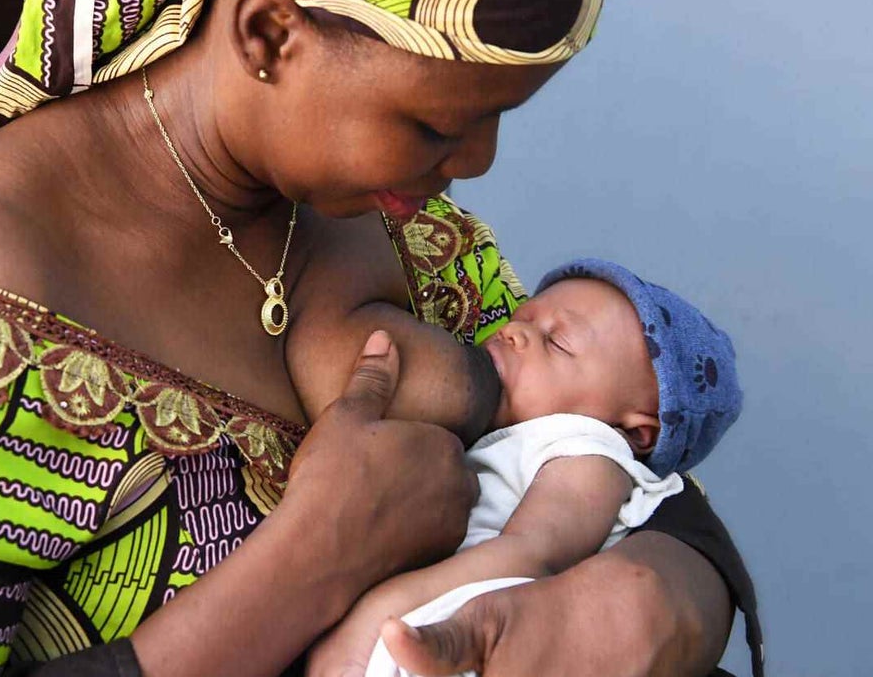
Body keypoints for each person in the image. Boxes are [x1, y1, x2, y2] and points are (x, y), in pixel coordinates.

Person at [0, 0, 761, 675]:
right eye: (438, 122)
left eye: (498, 116)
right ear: (269, 32)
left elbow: (631, 444)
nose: (479, 163)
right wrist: (312, 559)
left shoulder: (396, 219)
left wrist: (650, 604)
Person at [303, 258, 742, 676]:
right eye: (524, 317)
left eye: (557, 342)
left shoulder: (591, 454)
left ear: (635, 433)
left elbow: (529, 554)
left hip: (464, 635)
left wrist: (371, 621)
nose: (513, 331)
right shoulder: (513, 439)